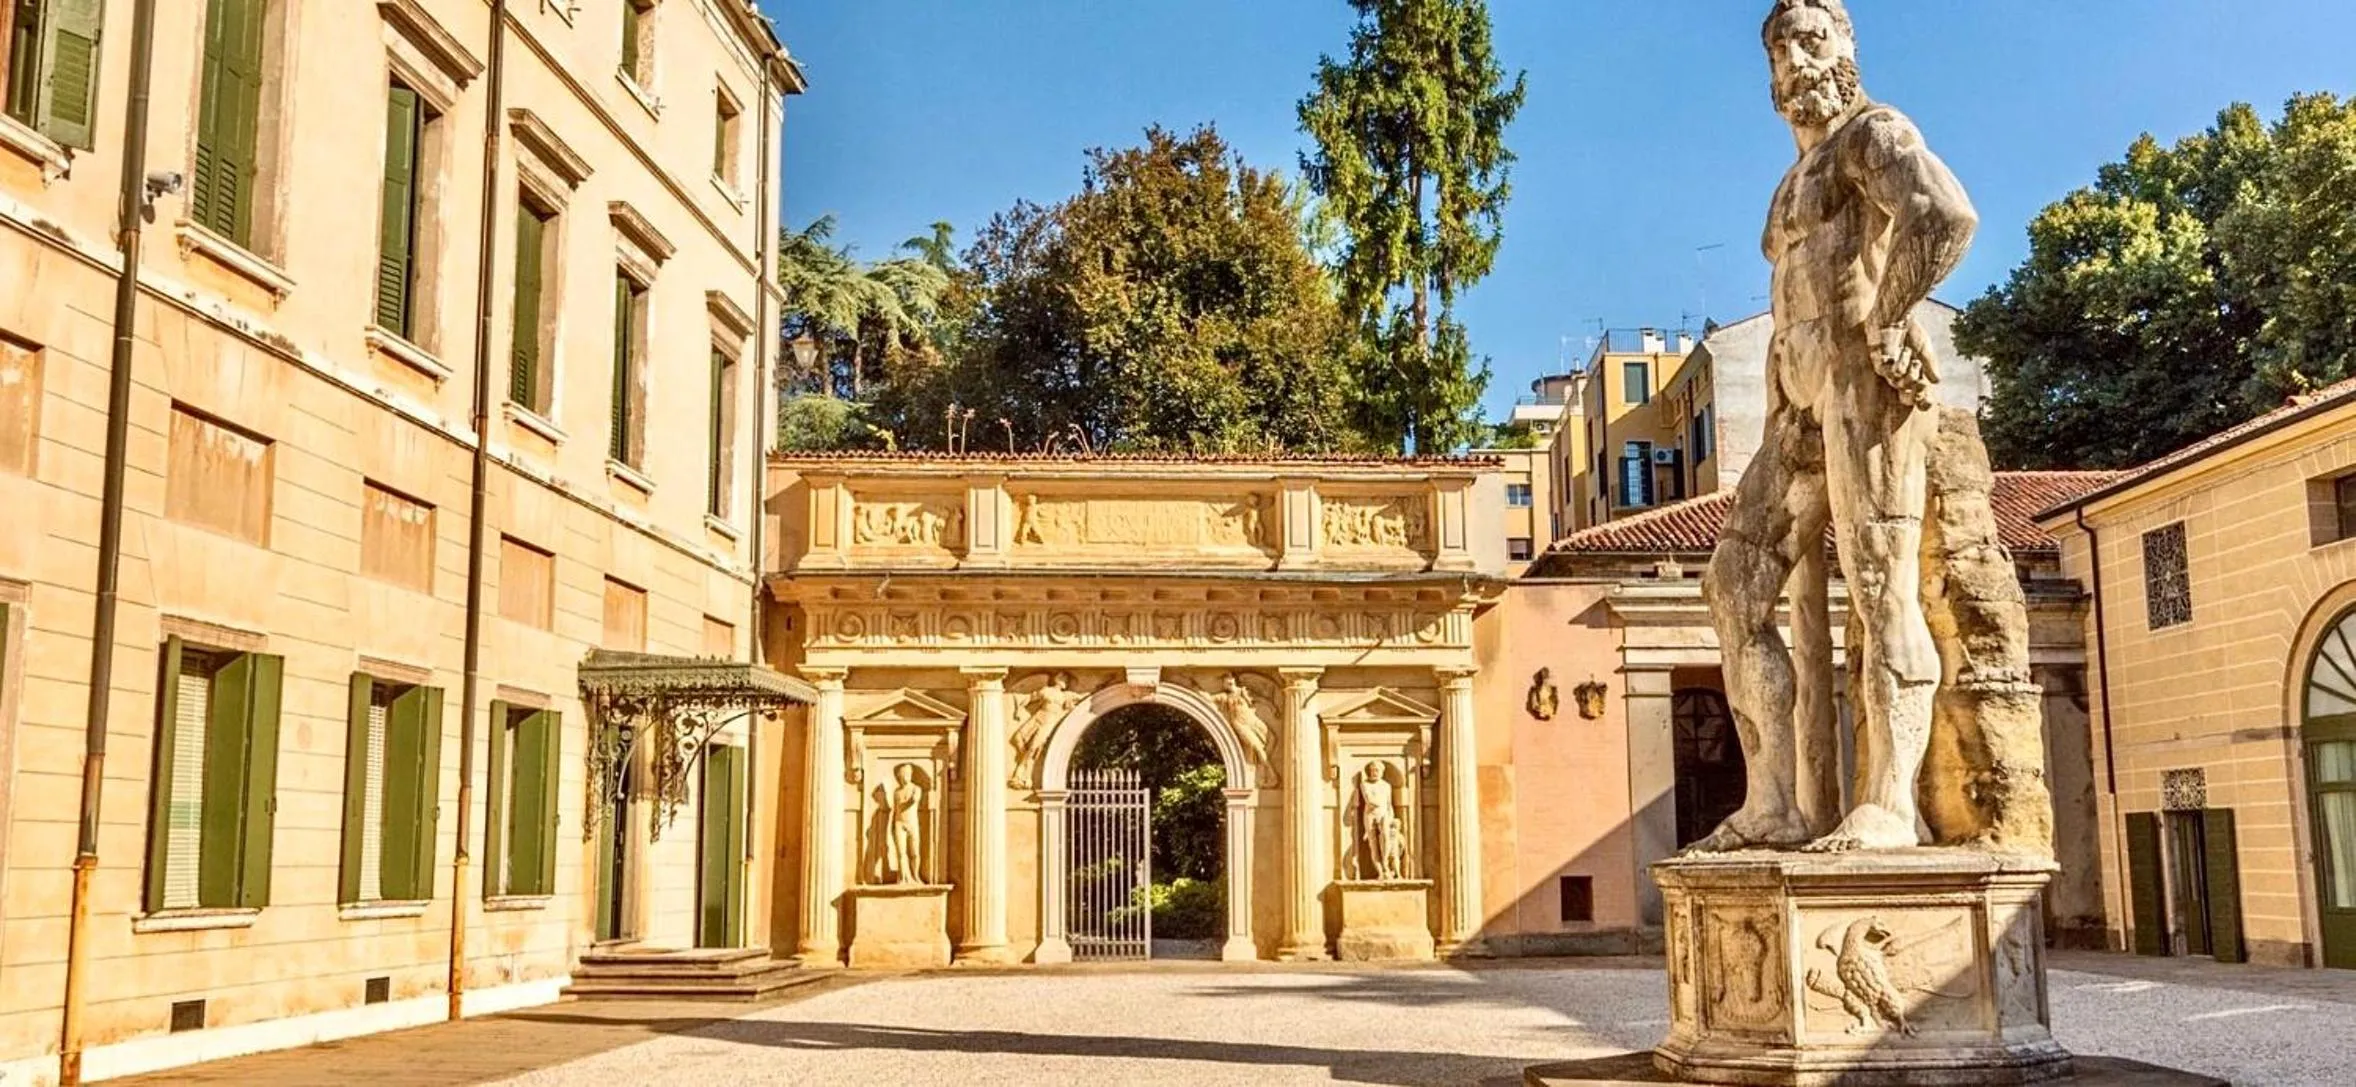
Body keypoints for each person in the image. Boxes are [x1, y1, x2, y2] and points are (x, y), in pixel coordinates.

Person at [1694, 0, 1977, 853]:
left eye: (1813, 40)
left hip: (1867, 389)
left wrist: (1892, 320)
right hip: (1800, 407)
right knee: (1733, 586)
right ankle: (1776, 799)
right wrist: (1781, 399)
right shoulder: (1792, 182)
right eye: (1782, 48)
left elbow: (1944, 214)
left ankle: (1892, 803)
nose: (1796, 62)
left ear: (1848, 47)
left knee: (1882, 587)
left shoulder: (1872, 134)